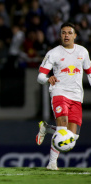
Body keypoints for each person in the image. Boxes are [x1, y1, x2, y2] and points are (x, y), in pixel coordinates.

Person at [36, 22, 91, 170]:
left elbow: (89, 73)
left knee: (72, 138)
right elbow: (40, 76)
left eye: (69, 32)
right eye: (63, 33)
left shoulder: (83, 52)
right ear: (60, 35)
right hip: (59, 92)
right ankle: (52, 163)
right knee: (62, 127)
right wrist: (48, 79)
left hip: (76, 96)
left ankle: (46, 128)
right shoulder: (53, 53)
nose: (66, 35)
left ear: (75, 35)